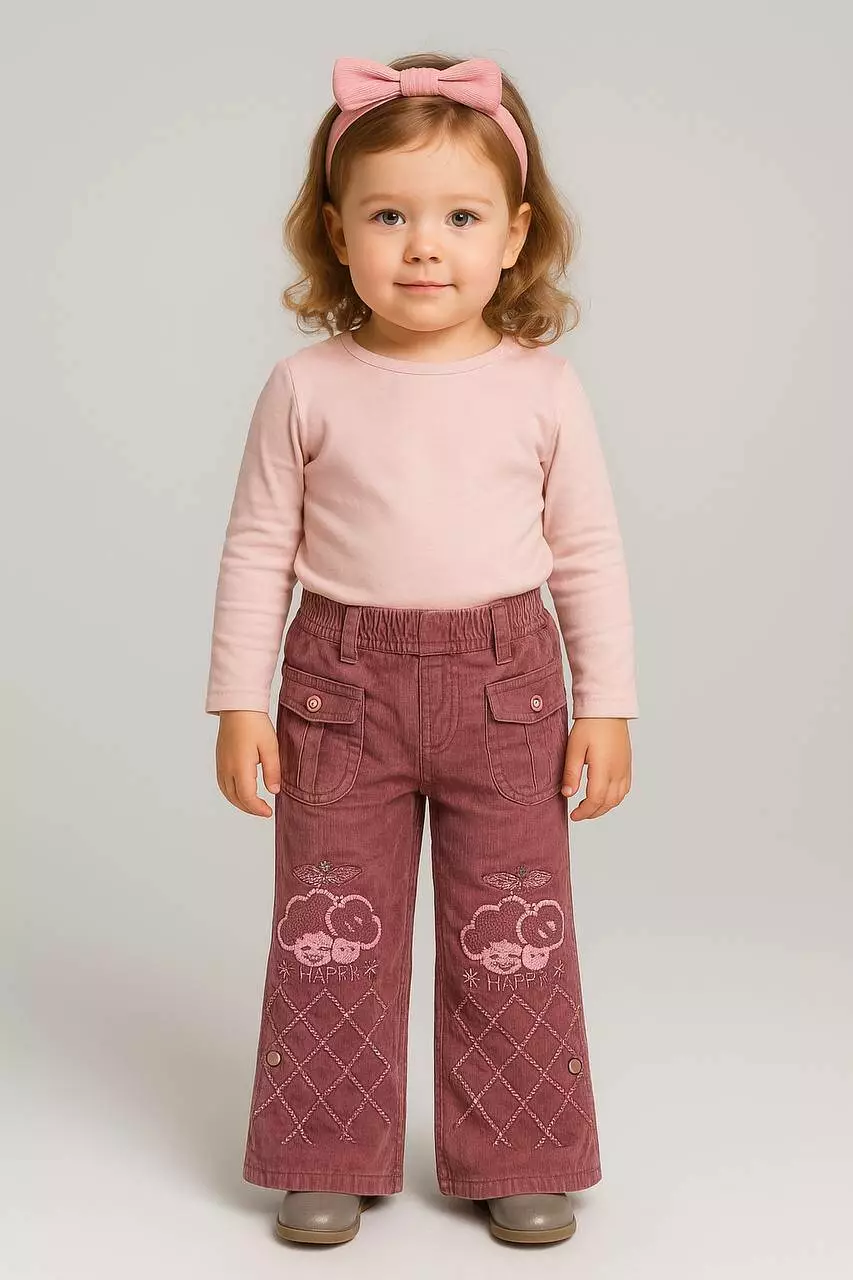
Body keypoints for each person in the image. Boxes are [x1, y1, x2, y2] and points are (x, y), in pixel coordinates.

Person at [204, 51, 639, 1247]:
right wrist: (238, 699)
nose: (423, 248)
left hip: (508, 692)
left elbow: (588, 554)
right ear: (334, 231)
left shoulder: (543, 389)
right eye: (388, 216)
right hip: (337, 694)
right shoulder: (305, 385)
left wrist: (606, 704)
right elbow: (257, 548)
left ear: (515, 233)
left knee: (513, 931)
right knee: (328, 926)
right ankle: (322, 1147)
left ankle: (521, 1149)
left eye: (459, 217)